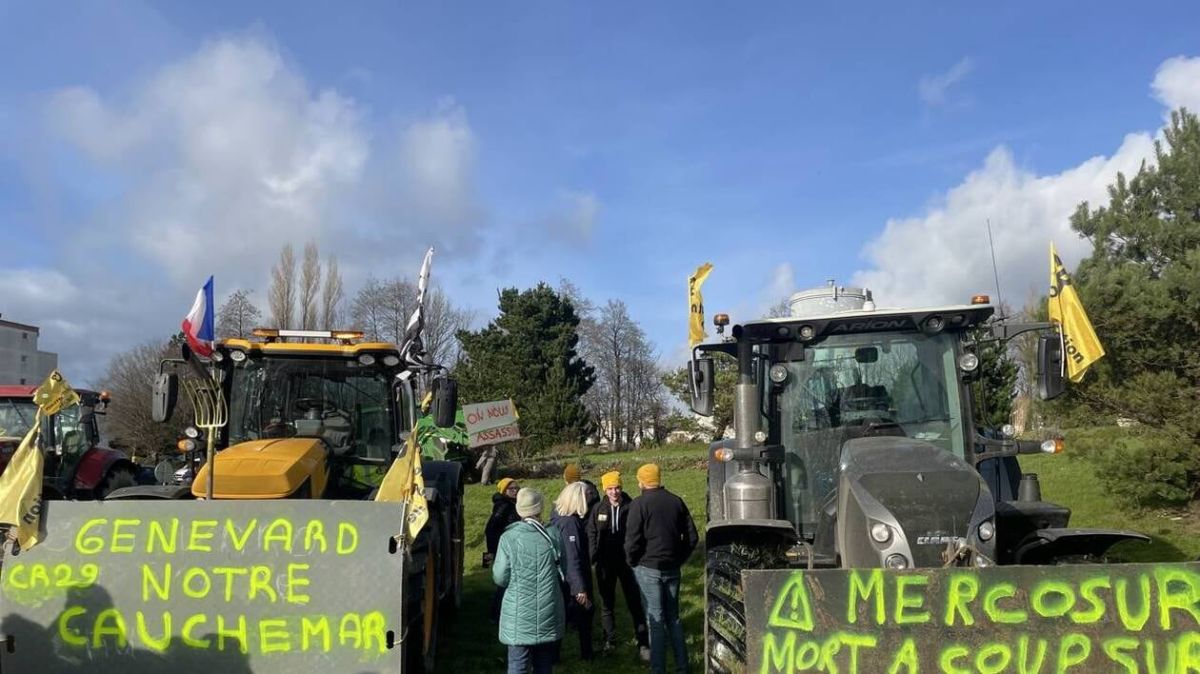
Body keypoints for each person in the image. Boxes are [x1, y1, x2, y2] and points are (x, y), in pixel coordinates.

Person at [624, 463, 699, 674]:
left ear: (641, 482)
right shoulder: (676, 501)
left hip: (648, 567)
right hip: (672, 567)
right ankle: (682, 667)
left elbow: (632, 540)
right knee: (673, 618)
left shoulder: (639, 505)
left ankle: (658, 668)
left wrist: (632, 561)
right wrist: (679, 558)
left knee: (655, 619)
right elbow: (693, 537)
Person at [494, 488, 567, 674]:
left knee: (518, 664)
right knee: (544, 663)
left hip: (518, 612)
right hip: (548, 608)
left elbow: (500, 577)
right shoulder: (553, 536)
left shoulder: (508, 538)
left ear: (519, 510)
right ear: (540, 509)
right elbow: (563, 570)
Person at [586, 470, 650, 658]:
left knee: (634, 601)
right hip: (605, 563)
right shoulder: (598, 508)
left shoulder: (632, 506)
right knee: (607, 602)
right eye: (610, 489)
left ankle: (643, 643)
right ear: (605, 490)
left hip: (628, 562)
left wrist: (638, 555)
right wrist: (593, 556)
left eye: (617, 488)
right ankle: (609, 640)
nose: (614, 492)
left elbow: (641, 533)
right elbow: (591, 533)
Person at [551, 481, 595, 661]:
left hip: (560, 575)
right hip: (572, 578)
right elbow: (572, 557)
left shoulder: (557, 516)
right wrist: (579, 588)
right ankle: (587, 654)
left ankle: (554, 656)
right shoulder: (571, 523)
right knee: (585, 612)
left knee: (562, 616)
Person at [486, 478, 522, 622]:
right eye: (511, 489)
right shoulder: (504, 506)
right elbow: (490, 529)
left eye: (516, 488)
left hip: (510, 548)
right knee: (505, 584)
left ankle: (499, 614)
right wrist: (493, 552)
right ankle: (496, 615)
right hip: (506, 550)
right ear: (504, 491)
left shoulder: (511, 504)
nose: (515, 491)